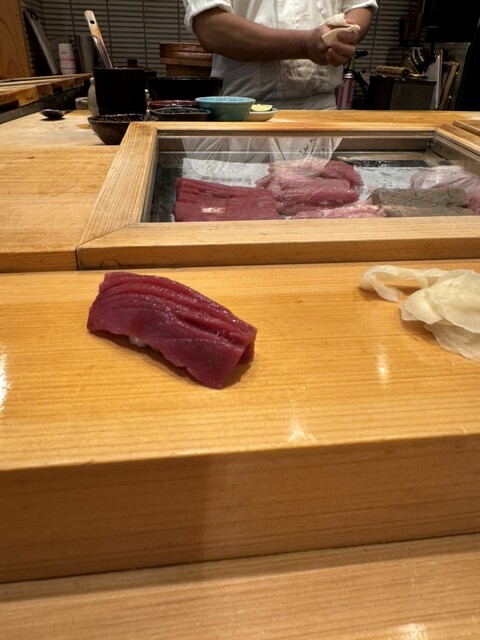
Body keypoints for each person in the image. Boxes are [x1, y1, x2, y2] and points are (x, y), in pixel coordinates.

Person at [182, 0, 378, 109]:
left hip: (323, 110)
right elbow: (211, 28)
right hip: (243, 110)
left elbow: (360, 5)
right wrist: (304, 45)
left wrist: (345, 34)